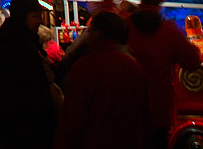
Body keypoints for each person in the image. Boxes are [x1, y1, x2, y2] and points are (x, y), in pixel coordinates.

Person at [53, 11, 150, 149]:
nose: (88, 33)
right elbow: (145, 114)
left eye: (91, 29)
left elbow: (72, 118)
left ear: (99, 33)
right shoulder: (134, 66)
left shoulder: (85, 66)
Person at [126, 0, 201, 149]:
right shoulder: (169, 31)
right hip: (158, 110)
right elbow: (192, 61)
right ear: (160, 4)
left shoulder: (124, 27)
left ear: (141, 0)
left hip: (126, 107)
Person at [0, 0, 58, 149]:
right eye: (35, 16)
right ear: (21, 16)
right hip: (23, 125)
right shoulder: (19, 45)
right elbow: (32, 90)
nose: (40, 21)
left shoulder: (9, 40)